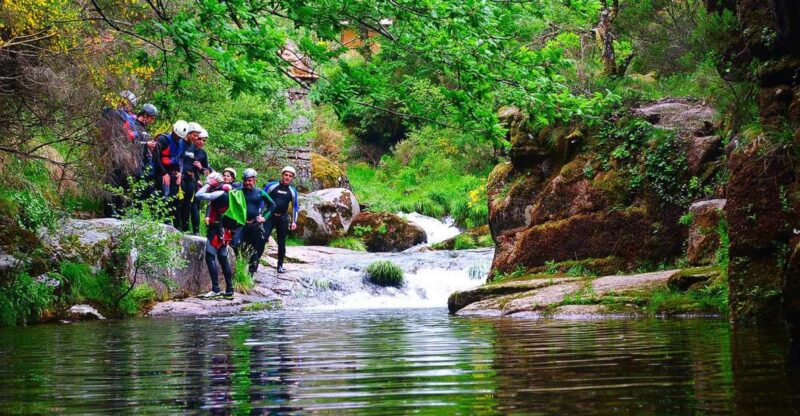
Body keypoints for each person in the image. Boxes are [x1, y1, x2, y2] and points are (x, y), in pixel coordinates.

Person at [229, 168, 276, 275]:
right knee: (234, 244)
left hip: (255, 226)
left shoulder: (260, 192)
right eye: (245, 180)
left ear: (254, 180)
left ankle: (251, 274)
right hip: (241, 225)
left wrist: (264, 217)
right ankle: (236, 270)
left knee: (255, 251)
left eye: (249, 180)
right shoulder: (238, 192)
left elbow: (272, 205)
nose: (247, 183)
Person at [196, 172, 235, 299]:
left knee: (210, 257)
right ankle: (229, 289)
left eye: (210, 180)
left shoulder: (219, 193)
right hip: (225, 230)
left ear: (214, 182)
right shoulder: (225, 191)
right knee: (223, 258)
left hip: (217, 230)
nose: (208, 182)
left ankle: (216, 289)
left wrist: (207, 184)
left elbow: (199, 195)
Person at [263, 166, 299, 273]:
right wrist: (260, 214)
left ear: (292, 178)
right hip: (269, 216)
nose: (287, 177)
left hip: (283, 218)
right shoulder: (271, 186)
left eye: (290, 176)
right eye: (286, 175)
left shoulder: (292, 191)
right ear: (282, 175)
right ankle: (254, 263)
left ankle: (280, 265)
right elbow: (261, 199)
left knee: (281, 243)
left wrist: (294, 222)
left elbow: (295, 206)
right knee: (263, 238)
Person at [154, 120, 190, 227]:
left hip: (173, 173)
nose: (178, 138)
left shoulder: (180, 143)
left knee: (173, 198)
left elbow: (179, 159)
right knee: (165, 194)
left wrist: (179, 172)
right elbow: (156, 157)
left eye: (180, 137)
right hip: (161, 171)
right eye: (177, 136)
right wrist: (164, 173)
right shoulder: (163, 139)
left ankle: (169, 219)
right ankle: (161, 218)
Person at [179, 123, 210, 233]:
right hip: (184, 178)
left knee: (193, 206)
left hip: (194, 182)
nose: (200, 141)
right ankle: (181, 226)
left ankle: (194, 229)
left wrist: (201, 169)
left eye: (203, 140)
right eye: (199, 139)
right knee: (181, 202)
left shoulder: (202, 153)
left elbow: (207, 171)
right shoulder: (186, 145)